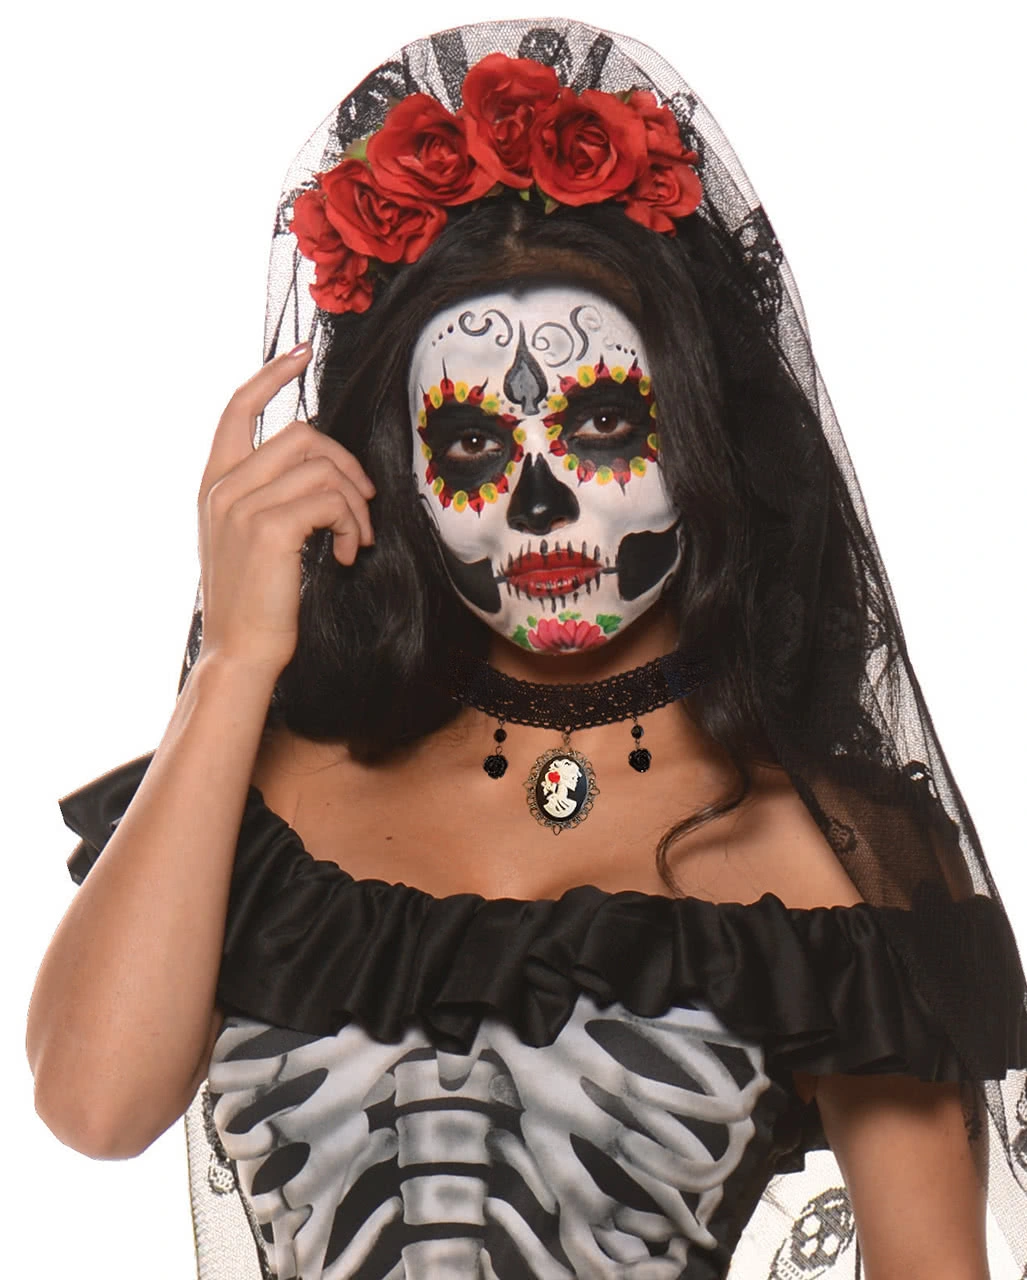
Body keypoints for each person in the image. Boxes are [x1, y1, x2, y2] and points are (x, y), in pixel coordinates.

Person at [26, 17, 1027, 1279]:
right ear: (395, 473)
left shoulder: (823, 855)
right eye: (471, 445)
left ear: (702, 435)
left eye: (602, 424)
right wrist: (231, 664)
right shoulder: (265, 792)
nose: (540, 502)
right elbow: (93, 1105)